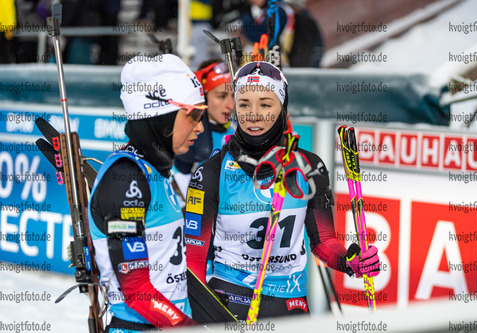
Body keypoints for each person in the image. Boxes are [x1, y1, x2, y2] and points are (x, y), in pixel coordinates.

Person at [185, 61, 380, 319]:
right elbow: (193, 262)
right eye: (244, 104)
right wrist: (200, 316)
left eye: (265, 104)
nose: (253, 114)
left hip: (289, 301)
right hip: (230, 300)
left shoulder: (309, 167)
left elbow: (323, 241)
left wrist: (350, 262)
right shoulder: (210, 173)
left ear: (282, 108)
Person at [88, 54, 206, 331]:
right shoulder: (127, 178)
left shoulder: (155, 172)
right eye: (194, 115)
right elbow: (136, 288)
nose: (200, 126)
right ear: (161, 117)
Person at [173, 58, 236, 198]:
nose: (230, 105)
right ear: (204, 97)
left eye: (233, 96)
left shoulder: (238, 131)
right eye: (221, 96)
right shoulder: (187, 134)